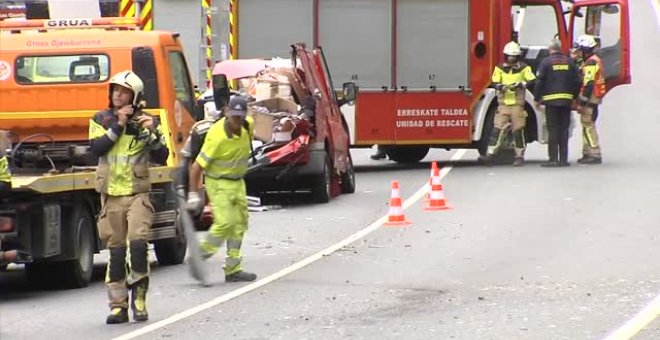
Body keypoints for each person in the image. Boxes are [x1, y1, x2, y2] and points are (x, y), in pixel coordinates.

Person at [89, 70, 169, 324]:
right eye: (114, 90)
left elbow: (162, 155)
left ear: (134, 96)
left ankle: (139, 298)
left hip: (137, 193)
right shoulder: (101, 119)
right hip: (111, 195)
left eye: (123, 92)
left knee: (137, 243)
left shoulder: (148, 120)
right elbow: (97, 149)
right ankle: (117, 306)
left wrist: (150, 134)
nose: (117, 95)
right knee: (115, 252)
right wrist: (119, 124)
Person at [186, 96, 258, 283]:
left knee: (239, 225)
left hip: (237, 182)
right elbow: (196, 167)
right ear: (226, 112)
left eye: (240, 117)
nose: (237, 121)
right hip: (217, 182)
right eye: (234, 117)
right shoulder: (216, 136)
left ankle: (233, 269)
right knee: (225, 223)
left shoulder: (248, 126)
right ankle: (199, 256)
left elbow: (259, 123)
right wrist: (194, 194)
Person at [480, 41, 536, 167]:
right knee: (497, 130)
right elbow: (494, 82)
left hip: (517, 105)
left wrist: (522, 84)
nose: (511, 58)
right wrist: (501, 86)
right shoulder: (499, 68)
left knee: (518, 131)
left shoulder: (524, 68)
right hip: (503, 104)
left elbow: (532, 80)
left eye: (514, 56)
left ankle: (519, 156)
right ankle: (490, 154)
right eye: (510, 56)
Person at [534, 40, 582, 167]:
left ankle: (553, 159)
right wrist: (574, 97)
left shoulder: (546, 62)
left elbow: (539, 81)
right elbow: (577, 81)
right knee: (564, 130)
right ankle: (563, 160)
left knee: (553, 129)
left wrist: (537, 98)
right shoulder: (570, 62)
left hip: (551, 101)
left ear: (550, 49)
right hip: (566, 100)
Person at [573, 34, 606, 164]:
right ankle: (587, 152)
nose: (578, 52)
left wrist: (581, 102)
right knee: (586, 126)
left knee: (588, 126)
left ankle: (594, 153)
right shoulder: (590, 61)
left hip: (590, 100)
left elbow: (588, 84)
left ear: (585, 50)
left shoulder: (591, 62)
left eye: (579, 49)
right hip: (593, 99)